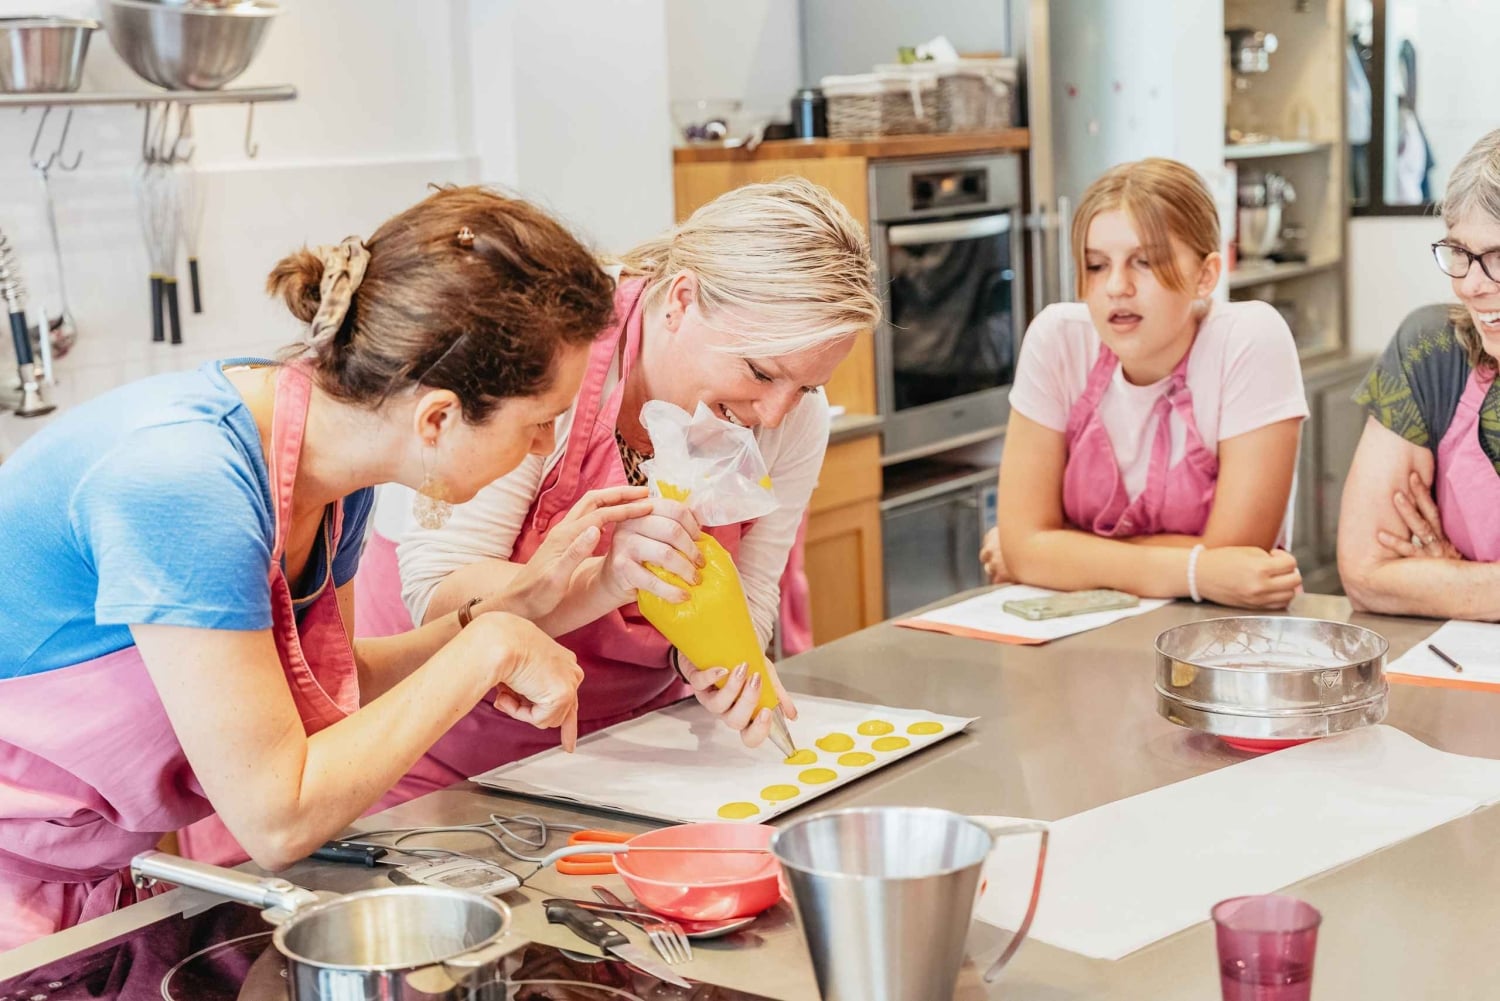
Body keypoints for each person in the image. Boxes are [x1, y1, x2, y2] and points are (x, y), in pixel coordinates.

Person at [0, 186, 627, 948]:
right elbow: (277, 812)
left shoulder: (331, 477)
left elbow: (328, 687)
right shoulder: (186, 483)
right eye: (537, 423)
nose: (543, 446)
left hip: (84, 869)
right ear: (436, 417)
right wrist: (482, 650)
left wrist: (503, 617)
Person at [356, 177, 881, 807]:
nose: (774, 414)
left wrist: (714, 665)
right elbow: (439, 599)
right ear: (682, 299)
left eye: (807, 387)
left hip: (627, 756)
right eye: (761, 372)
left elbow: (751, 589)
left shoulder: (791, 417)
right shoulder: (553, 359)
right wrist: (606, 576)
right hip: (442, 756)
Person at [979, 158, 1307, 607]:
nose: (1116, 286)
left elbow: (1237, 557)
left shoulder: (1248, 340)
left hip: (1221, 635)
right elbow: (1024, 546)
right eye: (1096, 266)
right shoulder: (1058, 340)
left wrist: (1059, 551)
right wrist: (1198, 569)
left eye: (1145, 262)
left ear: (1205, 275)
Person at [1339, 129, 1500, 618]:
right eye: (1460, 253)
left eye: (1499, 257)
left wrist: (1457, 583)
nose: (1470, 285)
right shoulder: (1431, 351)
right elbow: (1366, 574)